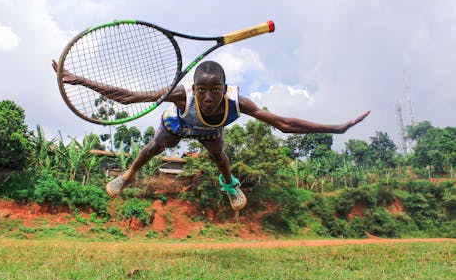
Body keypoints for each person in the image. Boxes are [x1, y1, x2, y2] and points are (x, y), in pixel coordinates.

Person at [52, 59, 370, 211]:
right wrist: (78, 79)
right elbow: (130, 97)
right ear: (194, 89)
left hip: (209, 131)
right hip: (180, 124)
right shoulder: (182, 96)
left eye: (214, 90)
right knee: (153, 147)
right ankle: (129, 173)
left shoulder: (238, 103)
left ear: (224, 88)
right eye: (202, 90)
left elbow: (284, 124)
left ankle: (230, 186)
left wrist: (337, 128)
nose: (207, 97)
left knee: (220, 156)